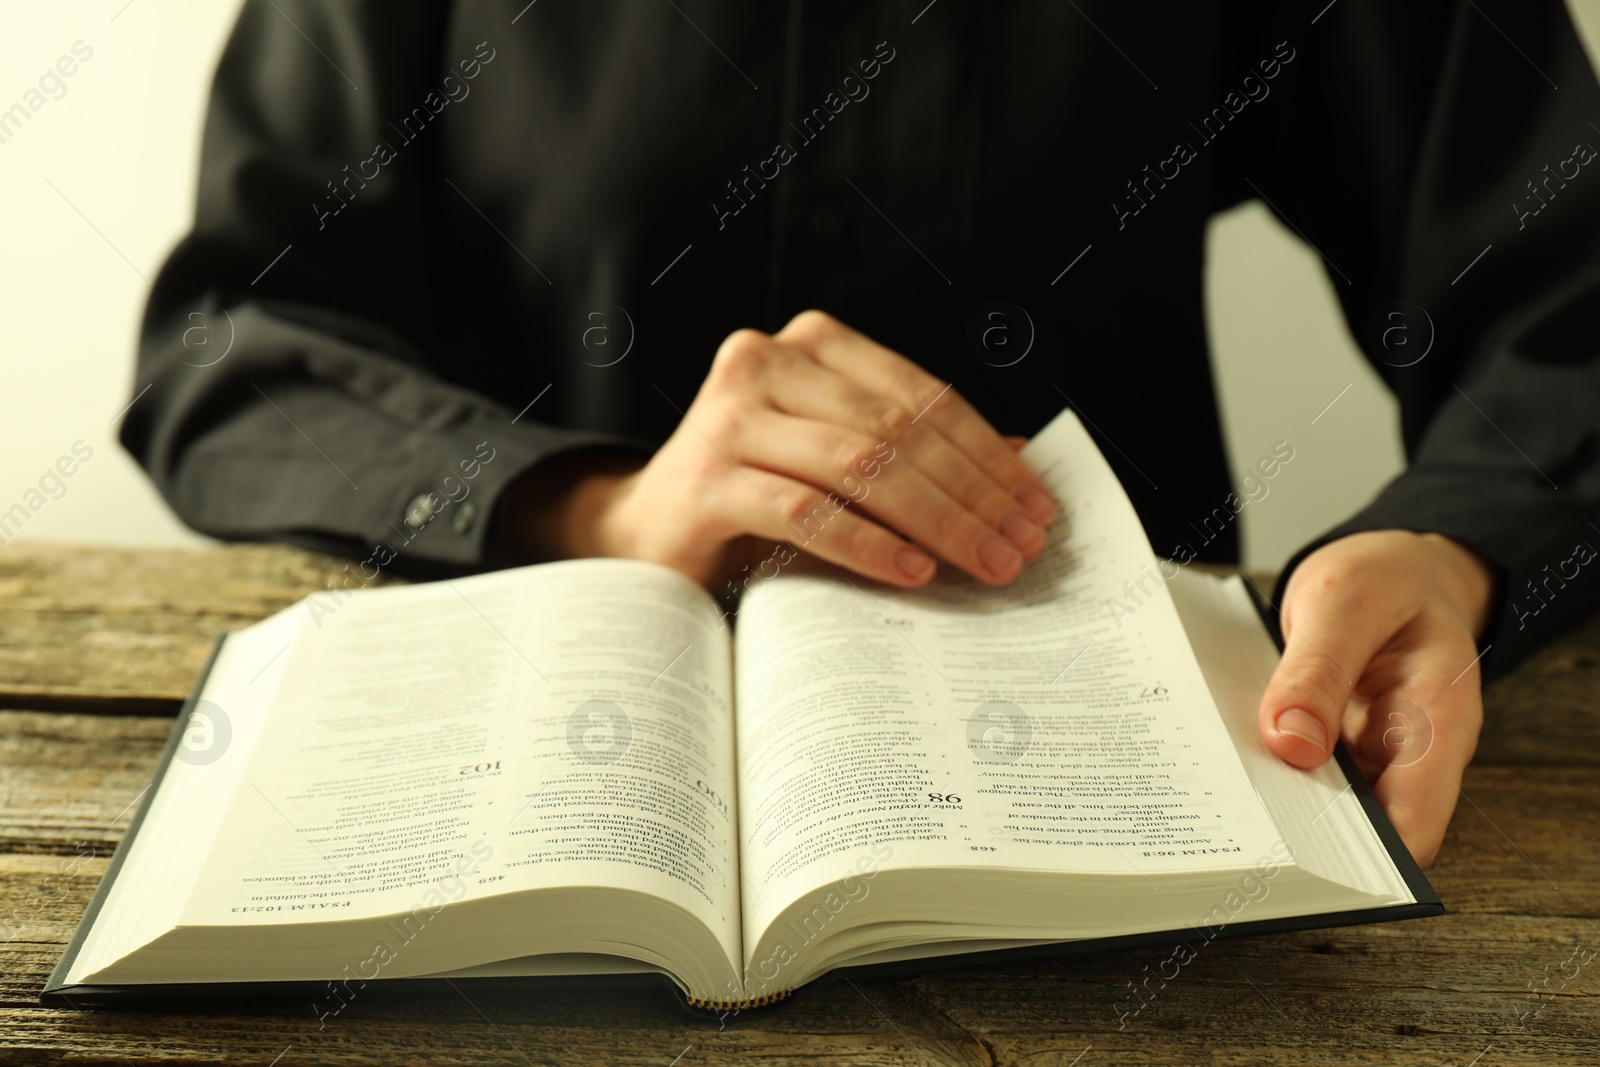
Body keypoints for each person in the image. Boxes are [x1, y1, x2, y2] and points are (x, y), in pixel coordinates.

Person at [122, 0, 1600, 867]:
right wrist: (595, 509)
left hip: (1137, 845)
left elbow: (1567, 295)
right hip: (530, 832)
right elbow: (230, 345)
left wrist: (1454, 548)